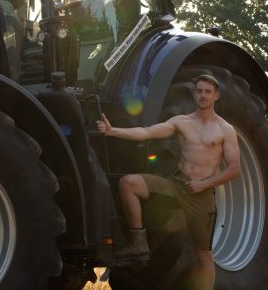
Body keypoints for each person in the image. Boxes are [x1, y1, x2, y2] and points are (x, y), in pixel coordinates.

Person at [96, 74, 241, 290]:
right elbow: (146, 132)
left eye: (208, 92)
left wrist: (204, 184)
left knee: (203, 255)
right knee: (128, 183)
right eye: (199, 91)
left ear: (216, 95)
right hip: (176, 185)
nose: (203, 95)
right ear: (194, 94)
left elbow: (234, 169)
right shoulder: (182, 122)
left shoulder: (225, 129)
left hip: (201, 194)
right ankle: (138, 243)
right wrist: (112, 131)